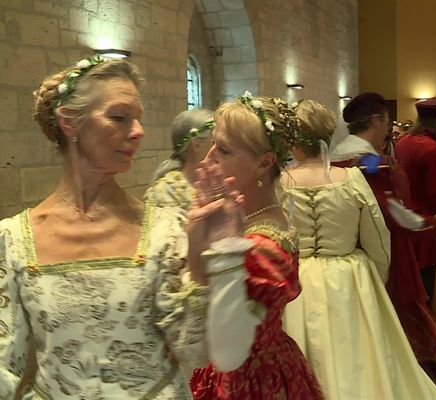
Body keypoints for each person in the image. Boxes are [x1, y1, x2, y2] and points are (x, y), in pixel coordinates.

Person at [0, 57, 262, 399]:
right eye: (119, 117)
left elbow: (198, 353)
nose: (138, 132)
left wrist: (209, 258)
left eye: (138, 119)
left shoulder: (163, 228)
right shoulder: (15, 239)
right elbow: (7, 362)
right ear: (70, 122)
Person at [281, 100, 436, 399]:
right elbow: (378, 234)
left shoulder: (280, 183)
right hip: (347, 277)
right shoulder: (356, 172)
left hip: (294, 280)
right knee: (359, 356)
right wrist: (376, 279)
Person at [189, 92, 324, 399]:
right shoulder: (251, 217)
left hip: (249, 380)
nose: (207, 158)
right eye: (212, 144)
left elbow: (220, 338)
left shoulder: (261, 246)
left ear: (264, 162)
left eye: (223, 150)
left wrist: (200, 245)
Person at [332, 92, 436, 379]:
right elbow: (388, 210)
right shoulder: (370, 163)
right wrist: (431, 225)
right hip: (382, 251)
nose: (388, 129)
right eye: (386, 122)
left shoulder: (338, 157)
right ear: (374, 121)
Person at [145, 108, 214, 209]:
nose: (218, 150)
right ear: (197, 145)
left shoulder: (217, 183)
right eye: (214, 142)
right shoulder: (165, 193)